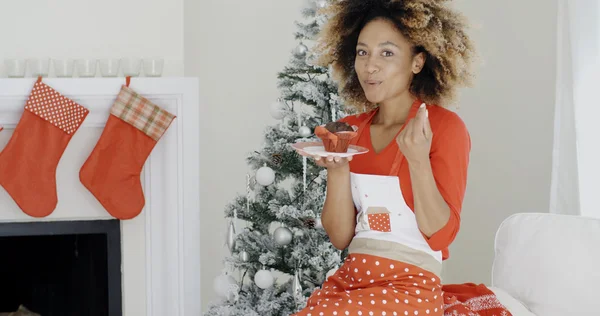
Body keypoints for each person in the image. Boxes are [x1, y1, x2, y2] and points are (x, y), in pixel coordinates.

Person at [293, 0, 478, 315]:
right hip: (350, 281)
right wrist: (338, 171)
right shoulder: (349, 130)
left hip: (411, 285)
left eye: (387, 53)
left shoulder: (444, 128)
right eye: (363, 52)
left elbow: (441, 235)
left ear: (417, 63)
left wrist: (417, 161)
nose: (369, 66)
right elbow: (341, 237)